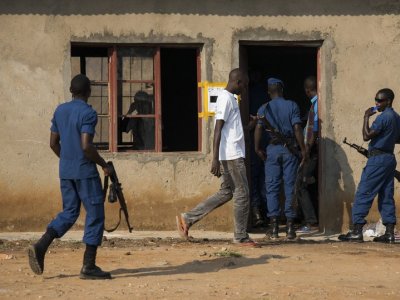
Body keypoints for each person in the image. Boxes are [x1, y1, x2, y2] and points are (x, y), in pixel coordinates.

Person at [28, 74, 113, 279]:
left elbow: (53, 143)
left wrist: (67, 159)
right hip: (85, 171)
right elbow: (86, 146)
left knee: (69, 212)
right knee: (95, 214)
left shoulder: (60, 110)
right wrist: (103, 165)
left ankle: (41, 245)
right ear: (88, 92)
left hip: (65, 171)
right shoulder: (88, 113)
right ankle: (88, 266)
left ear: (71, 91)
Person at [176, 68, 257, 246]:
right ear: (238, 82)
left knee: (227, 192)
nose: (245, 89)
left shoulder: (231, 99)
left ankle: (188, 218)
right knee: (242, 194)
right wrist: (215, 159)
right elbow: (218, 129)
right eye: (244, 85)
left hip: (231, 153)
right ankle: (240, 235)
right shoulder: (225, 99)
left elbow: (230, 129)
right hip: (231, 155)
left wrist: (250, 125)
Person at [338, 88, 400, 243]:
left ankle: (357, 231)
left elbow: (366, 136)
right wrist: (386, 140)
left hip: (377, 161)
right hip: (389, 159)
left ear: (388, 101)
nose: (376, 103)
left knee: (364, 193)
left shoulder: (383, 117)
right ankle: (390, 233)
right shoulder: (396, 117)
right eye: (376, 100)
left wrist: (366, 117)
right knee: (386, 195)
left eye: (380, 101)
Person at [254, 78, 307, 239]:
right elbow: (297, 128)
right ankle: (290, 228)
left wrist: (257, 149)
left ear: (269, 91)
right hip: (289, 149)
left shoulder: (264, 108)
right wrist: (303, 149)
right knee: (290, 186)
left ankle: (275, 228)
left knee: (272, 187)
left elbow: (258, 128)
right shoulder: (292, 105)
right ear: (282, 90)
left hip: (272, 150)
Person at [296, 76, 319, 234]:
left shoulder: (316, 105)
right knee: (308, 184)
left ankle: (312, 223)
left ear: (307, 90)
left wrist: (307, 150)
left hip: (312, 150)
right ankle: (311, 220)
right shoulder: (314, 105)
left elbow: (315, 129)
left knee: (301, 184)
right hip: (312, 149)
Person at [248, 70, 268, 228]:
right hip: (267, 144)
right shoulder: (265, 97)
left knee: (256, 180)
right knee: (266, 180)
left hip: (256, 144)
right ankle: (266, 215)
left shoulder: (251, 95)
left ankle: (257, 214)